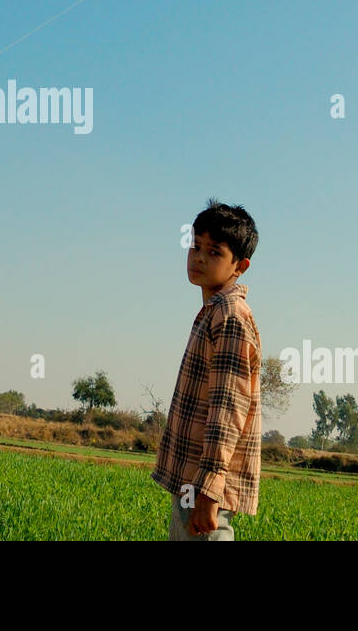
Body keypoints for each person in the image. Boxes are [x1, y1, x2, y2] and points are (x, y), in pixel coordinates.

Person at [151, 199, 262, 541]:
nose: (198, 257)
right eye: (195, 246)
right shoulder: (212, 312)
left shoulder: (229, 317)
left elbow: (228, 410)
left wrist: (210, 488)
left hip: (202, 479)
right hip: (190, 476)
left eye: (214, 252)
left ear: (239, 266)